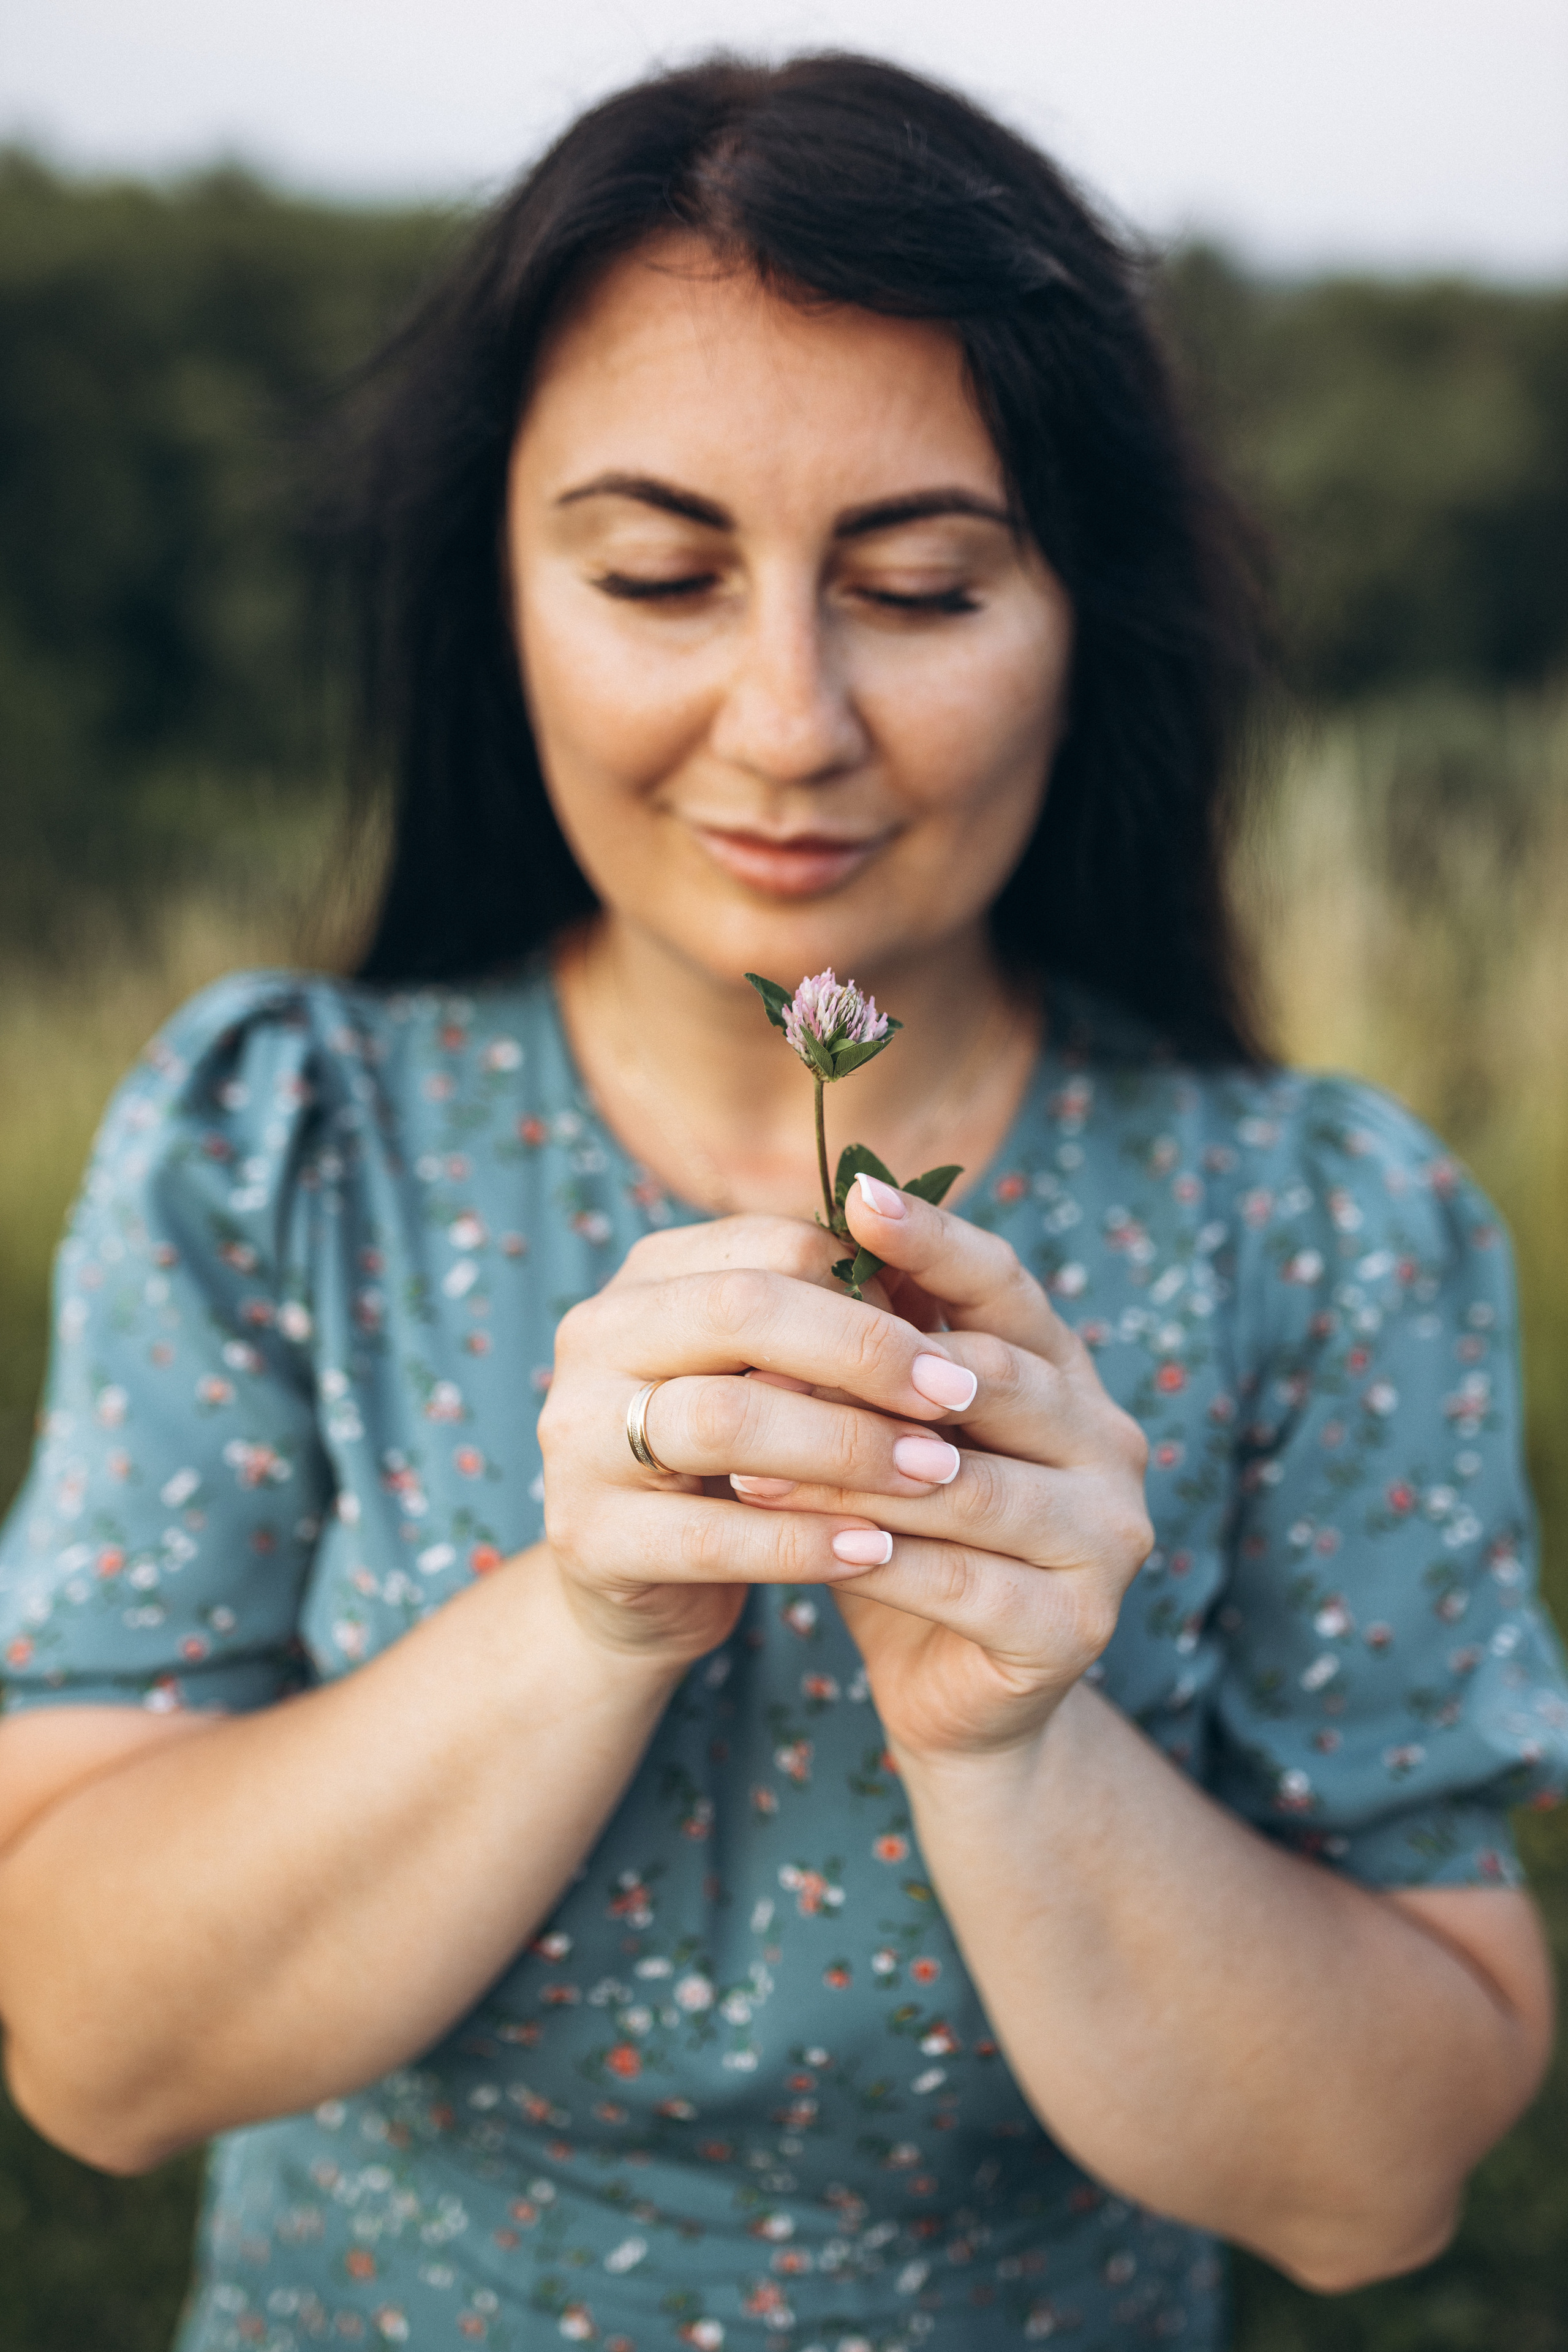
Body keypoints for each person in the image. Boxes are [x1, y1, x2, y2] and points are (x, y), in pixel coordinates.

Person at [0, 52, 1564, 2352]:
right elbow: (94, 2056)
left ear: (1085, 616)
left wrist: (1014, 1737)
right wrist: (585, 1620)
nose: (787, 720)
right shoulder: (281, 1146)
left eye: (920, 587)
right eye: (658, 574)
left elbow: (1371, 2191)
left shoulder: (1316, 1229)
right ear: (498, 590)